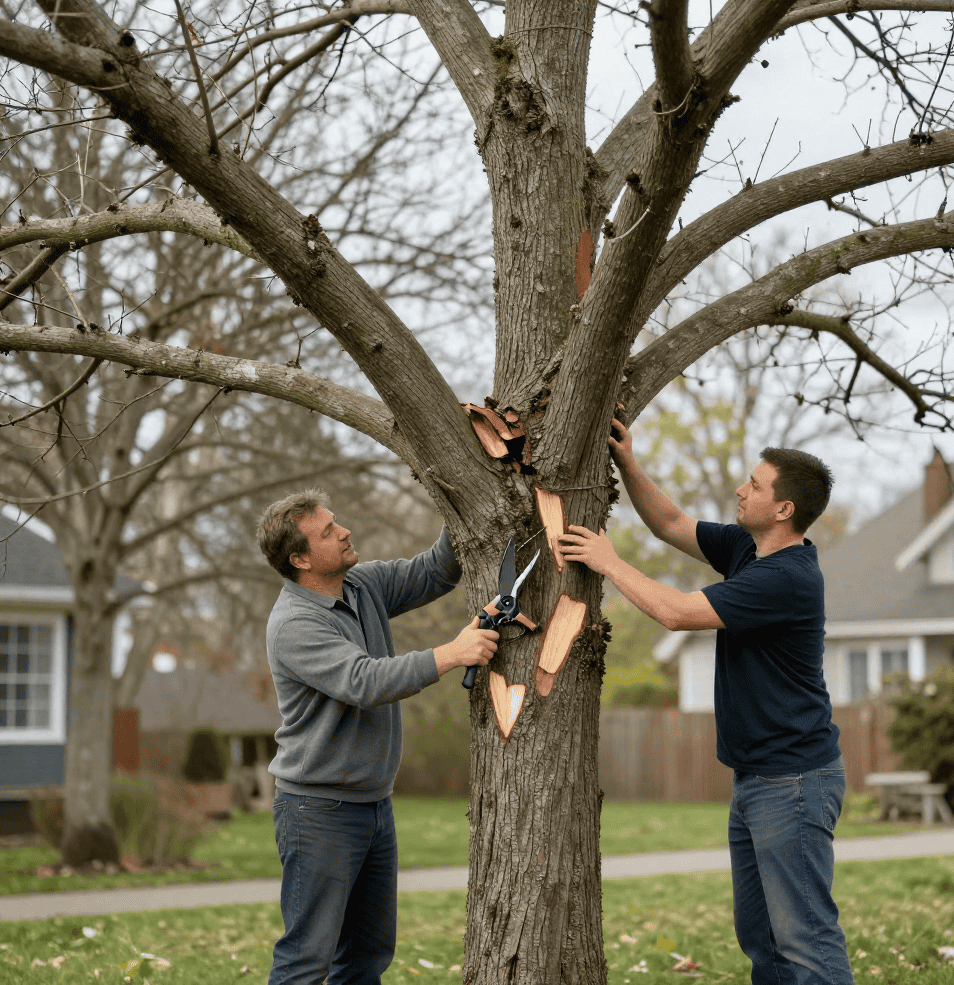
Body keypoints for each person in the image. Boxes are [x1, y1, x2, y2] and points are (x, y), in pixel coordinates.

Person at [558, 419, 854, 985]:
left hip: (793, 782)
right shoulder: (748, 549)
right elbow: (670, 523)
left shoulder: (787, 579)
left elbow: (676, 612)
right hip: (757, 780)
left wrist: (607, 560)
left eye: (754, 484)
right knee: (762, 937)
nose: (741, 490)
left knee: (805, 938)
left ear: (784, 508)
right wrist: (626, 462)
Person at [256, 488, 498, 985]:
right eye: (327, 531)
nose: (343, 531)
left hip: (373, 807)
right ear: (300, 559)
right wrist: (454, 652)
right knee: (307, 959)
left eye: (335, 520)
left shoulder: (362, 586)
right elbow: (364, 681)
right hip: (317, 812)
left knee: (367, 957)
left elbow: (435, 570)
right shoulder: (294, 625)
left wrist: (468, 495)